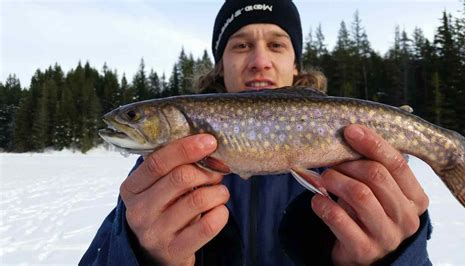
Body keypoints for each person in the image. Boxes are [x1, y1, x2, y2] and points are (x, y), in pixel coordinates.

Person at [80, 0, 432, 265]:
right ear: (221, 66)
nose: (259, 60)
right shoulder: (156, 177)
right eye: (242, 45)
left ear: (296, 67)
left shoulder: (362, 171)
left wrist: (398, 253)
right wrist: (139, 252)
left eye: (276, 44)